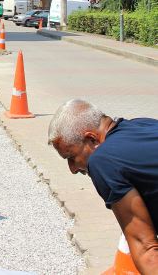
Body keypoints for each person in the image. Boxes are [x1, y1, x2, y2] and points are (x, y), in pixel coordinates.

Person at [48, 99, 158, 273]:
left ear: (92, 139)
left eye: (71, 157)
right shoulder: (143, 124)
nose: (73, 169)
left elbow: (146, 249)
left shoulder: (102, 160)